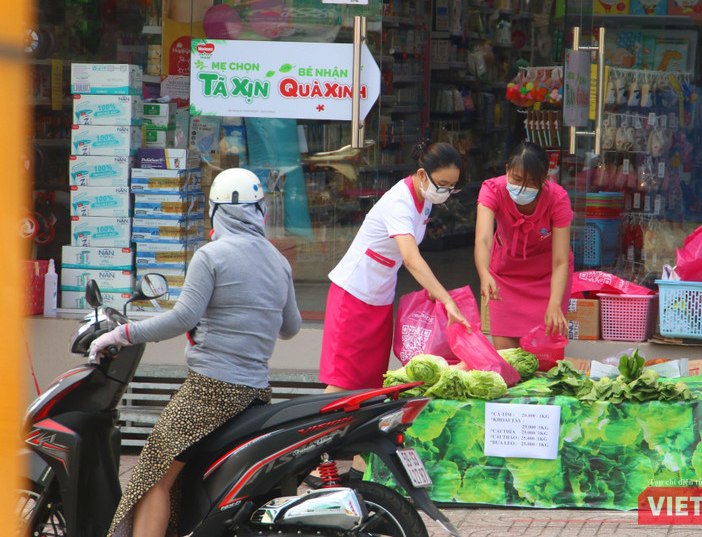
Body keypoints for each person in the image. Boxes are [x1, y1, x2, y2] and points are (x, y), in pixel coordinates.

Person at [89, 168, 302, 537]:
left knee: (152, 476)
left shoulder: (211, 255)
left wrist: (122, 334)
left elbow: (182, 317)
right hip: (256, 393)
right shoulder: (278, 261)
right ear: (261, 210)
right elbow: (290, 328)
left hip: (211, 391)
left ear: (214, 211)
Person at [312, 140, 471, 484]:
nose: (445, 192)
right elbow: (411, 259)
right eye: (441, 184)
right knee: (341, 384)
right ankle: (309, 459)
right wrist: (445, 299)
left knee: (369, 386)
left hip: (379, 298)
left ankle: (359, 465)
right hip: (353, 294)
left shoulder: (423, 200)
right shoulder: (400, 201)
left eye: (451, 187)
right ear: (420, 174)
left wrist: (434, 292)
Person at [474, 141, 573, 349]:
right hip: (505, 277)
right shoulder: (492, 189)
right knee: (507, 358)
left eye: (531, 183)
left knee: (544, 357)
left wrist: (555, 303)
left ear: (546, 178)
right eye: (516, 179)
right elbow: (483, 239)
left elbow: (561, 260)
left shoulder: (558, 199)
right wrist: (484, 274)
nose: (521, 188)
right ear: (507, 170)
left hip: (548, 280)